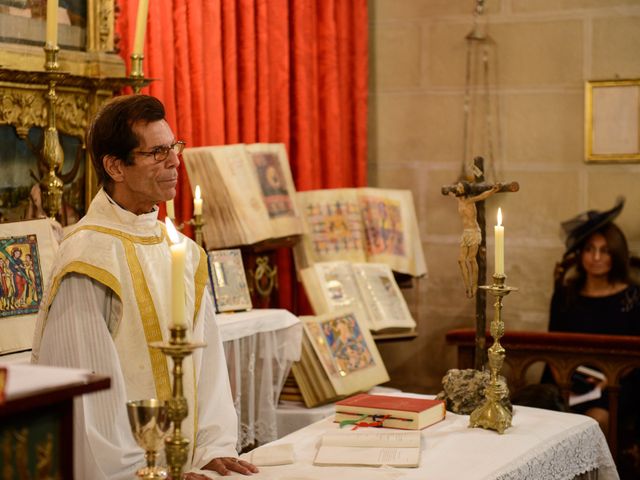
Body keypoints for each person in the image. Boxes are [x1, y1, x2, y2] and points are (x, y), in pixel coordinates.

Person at [31, 95, 258, 479]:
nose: (174, 161)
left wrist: (210, 448)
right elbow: (84, 397)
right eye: (157, 152)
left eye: (173, 147)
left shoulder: (184, 253)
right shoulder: (87, 258)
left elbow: (209, 367)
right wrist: (145, 471)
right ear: (115, 166)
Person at [548, 198, 640, 474]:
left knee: (594, 420)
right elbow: (552, 344)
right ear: (580, 254)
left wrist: (606, 382)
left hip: (619, 385)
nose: (596, 258)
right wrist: (565, 380)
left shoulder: (633, 297)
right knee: (540, 415)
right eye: (589, 249)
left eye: (604, 250)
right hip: (570, 380)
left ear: (616, 255)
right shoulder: (566, 294)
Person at [447, 181, 501, 298]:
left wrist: (492, 190)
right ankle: (467, 287)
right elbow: (451, 193)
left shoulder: (469, 200)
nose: (458, 188)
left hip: (474, 232)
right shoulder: (459, 200)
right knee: (461, 260)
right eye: (458, 186)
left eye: (460, 187)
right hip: (465, 233)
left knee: (471, 259)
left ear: (465, 190)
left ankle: (474, 284)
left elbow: (482, 196)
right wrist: (448, 191)